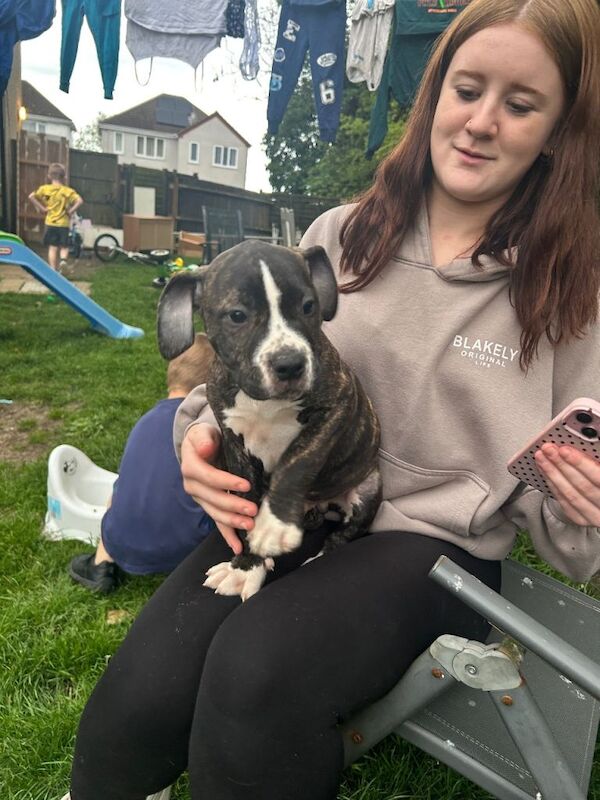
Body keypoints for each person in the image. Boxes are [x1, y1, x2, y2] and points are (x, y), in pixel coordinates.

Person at [64, 1, 600, 798]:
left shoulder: (570, 297)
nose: (482, 122)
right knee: (142, 695)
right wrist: (196, 442)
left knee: (255, 672)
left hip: (431, 550)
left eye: (520, 105)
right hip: (295, 507)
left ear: (558, 131)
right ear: (432, 97)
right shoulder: (340, 238)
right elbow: (239, 367)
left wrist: (585, 503)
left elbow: (575, 532)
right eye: (467, 90)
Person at [69, 333, 216, 595]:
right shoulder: (205, 428)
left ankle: (101, 564)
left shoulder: (145, 421)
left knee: (120, 486)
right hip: (189, 550)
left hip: (120, 541)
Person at [28, 163, 83, 272]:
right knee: (64, 246)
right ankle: (63, 261)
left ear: (49, 176)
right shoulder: (68, 191)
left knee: (53, 247)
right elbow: (80, 201)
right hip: (63, 224)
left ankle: (53, 269)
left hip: (50, 223)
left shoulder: (44, 189)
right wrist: (71, 211)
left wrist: (42, 208)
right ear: (64, 177)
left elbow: (31, 196)